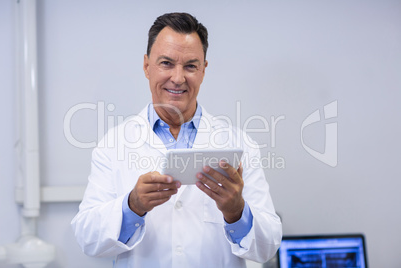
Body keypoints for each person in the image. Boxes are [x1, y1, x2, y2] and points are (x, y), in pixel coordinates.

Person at [71, 12, 282, 268]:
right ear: (147, 66)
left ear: (204, 70)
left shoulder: (239, 143)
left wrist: (236, 212)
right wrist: (132, 206)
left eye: (191, 66)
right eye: (166, 63)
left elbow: (269, 245)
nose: (178, 78)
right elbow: (87, 238)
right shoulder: (113, 144)